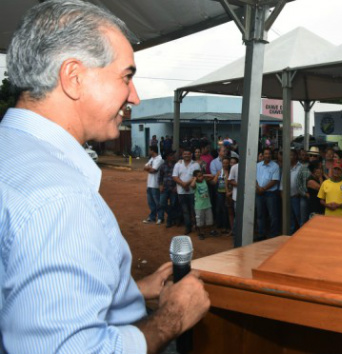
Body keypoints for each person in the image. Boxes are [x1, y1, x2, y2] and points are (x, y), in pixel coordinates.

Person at [0, 1, 209, 353]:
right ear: (74, 77)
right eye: (126, 77)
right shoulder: (59, 199)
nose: (135, 97)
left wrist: (128, 290)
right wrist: (171, 317)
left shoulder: (13, 153)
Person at [173, 150, 201, 234]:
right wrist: (183, 185)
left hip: (193, 191)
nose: (186, 155)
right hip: (181, 192)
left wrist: (186, 184)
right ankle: (188, 227)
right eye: (185, 154)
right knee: (185, 210)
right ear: (182, 155)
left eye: (188, 154)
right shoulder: (178, 164)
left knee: (194, 210)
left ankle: (196, 226)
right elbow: (175, 176)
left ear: (191, 154)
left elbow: (198, 177)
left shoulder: (196, 165)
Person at [256, 147, 281, 239]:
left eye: (269, 154)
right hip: (259, 193)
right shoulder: (257, 165)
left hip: (271, 194)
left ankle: (273, 234)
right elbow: (254, 178)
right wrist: (258, 188)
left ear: (271, 155)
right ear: (262, 155)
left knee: (273, 215)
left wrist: (263, 189)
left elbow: (274, 180)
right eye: (265, 154)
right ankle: (261, 233)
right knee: (260, 215)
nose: (267, 155)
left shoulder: (275, 166)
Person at [143, 145, 164, 224]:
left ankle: (160, 218)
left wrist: (149, 168)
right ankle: (152, 217)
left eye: (149, 150)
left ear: (152, 151)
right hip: (149, 184)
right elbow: (144, 167)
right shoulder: (151, 159)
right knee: (151, 202)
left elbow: (153, 170)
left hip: (156, 184)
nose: (148, 152)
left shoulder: (160, 159)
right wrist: (149, 168)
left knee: (158, 202)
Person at [191, 170, 214, 240]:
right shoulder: (195, 184)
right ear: (195, 177)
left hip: (207, 204)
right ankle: (201, 233)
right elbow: (192, 185)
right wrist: (194, 179)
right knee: (200, 222)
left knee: (209, 221)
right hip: (199, 206)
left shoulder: (204, 181)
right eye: (199, 176)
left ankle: (210, 231)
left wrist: (204, 175)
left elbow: (212, 176)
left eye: (201, 176)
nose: (201, 177)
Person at [159, 151, 179, 228]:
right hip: (165, 188)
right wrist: (160, 185)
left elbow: (179, 176)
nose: (173, 156)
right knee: (162, 203)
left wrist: (177, 186)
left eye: (173, 155)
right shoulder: (163, 166)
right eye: (171, 155)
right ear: (167, 157)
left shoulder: (177, 165)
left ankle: (169, 221)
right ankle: (173, 216)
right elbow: (160, 177)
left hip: (173, 188)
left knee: (173, 204)